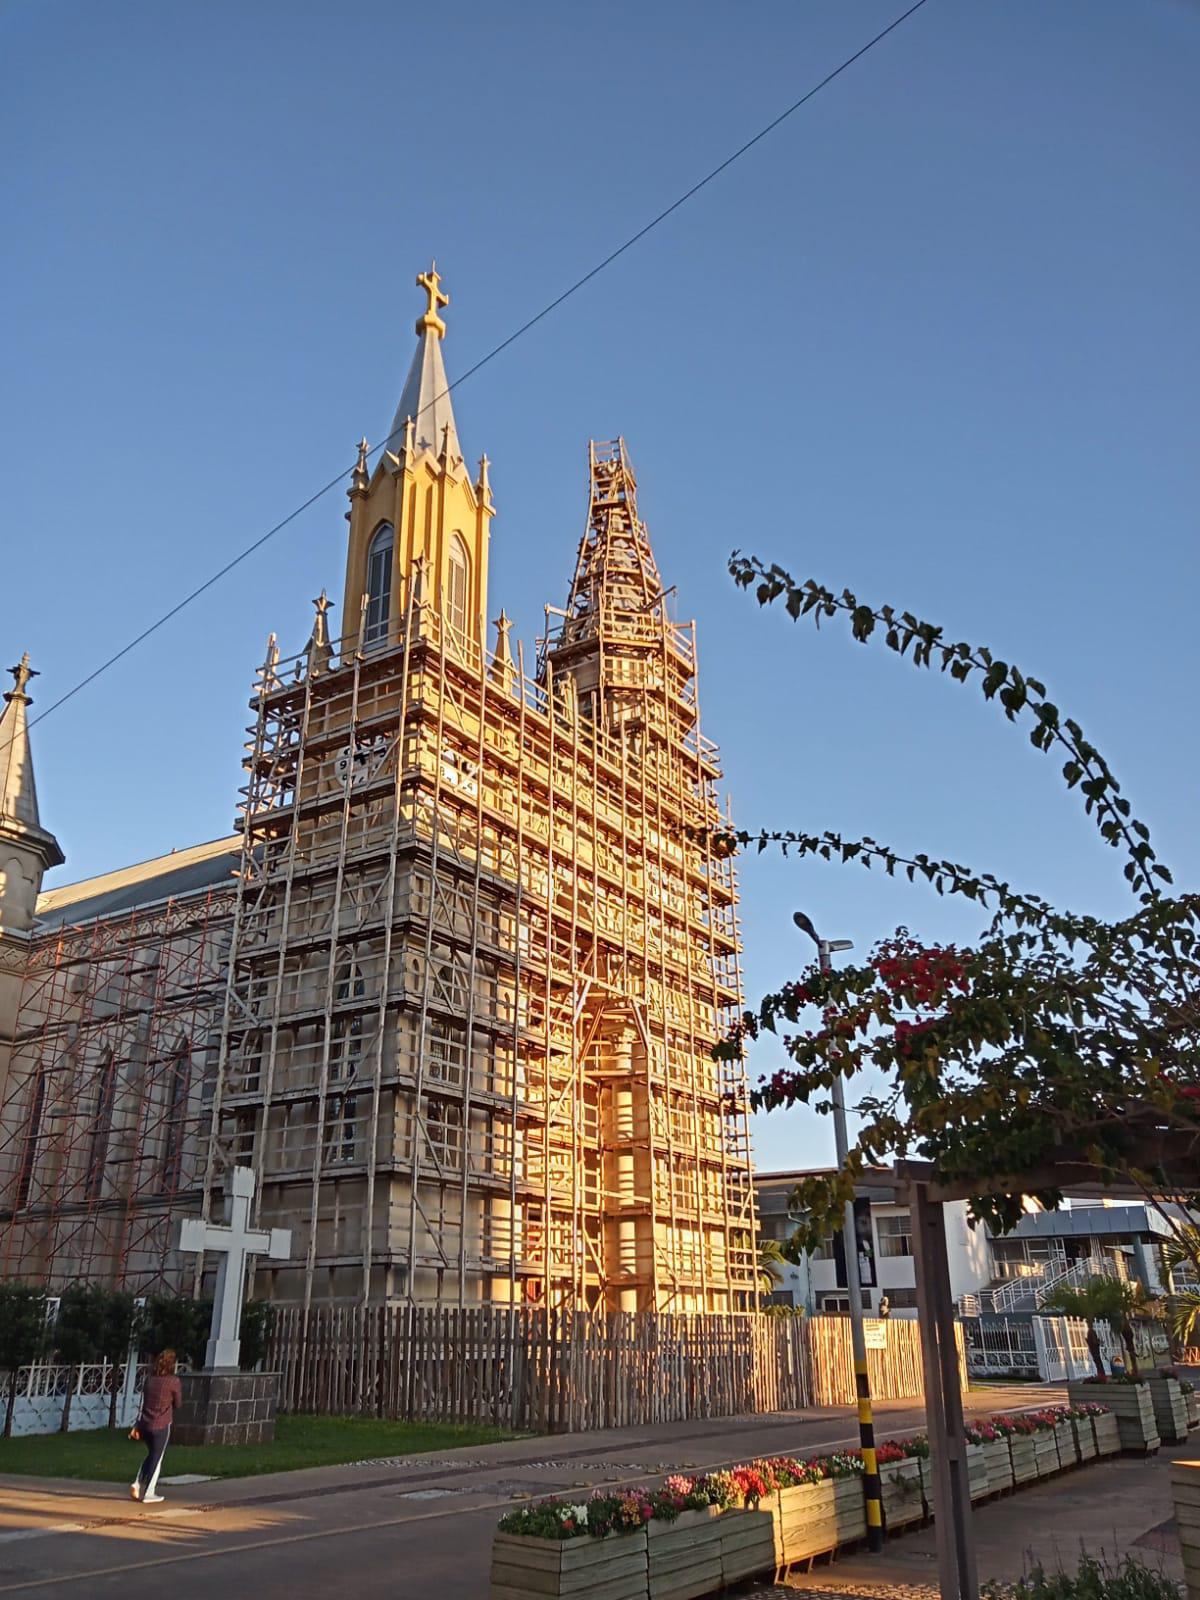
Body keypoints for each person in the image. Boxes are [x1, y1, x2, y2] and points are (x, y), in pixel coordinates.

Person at [131, 1349, 182, 1504]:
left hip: (145, 1423)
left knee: (152, 1454)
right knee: (157, 1457)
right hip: (162, 1423)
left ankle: (137, 1483)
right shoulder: (173, 1381)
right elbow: (178, 1403)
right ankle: (149, 1492)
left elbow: (145, 1401)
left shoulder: (150, 1380)